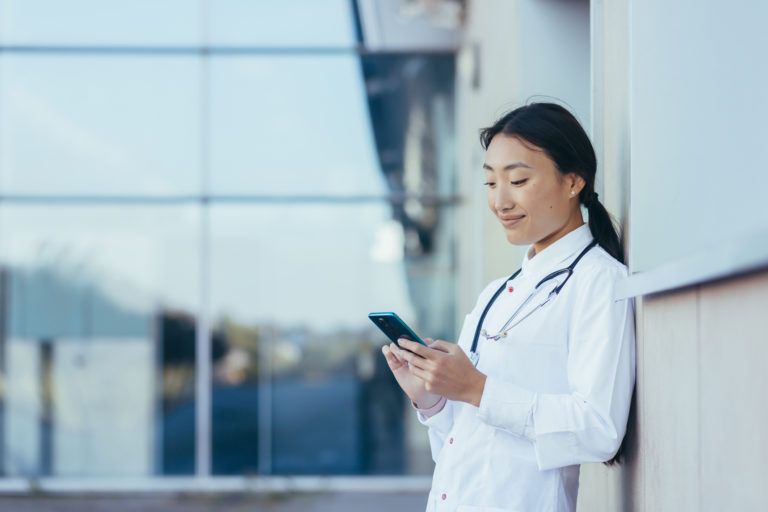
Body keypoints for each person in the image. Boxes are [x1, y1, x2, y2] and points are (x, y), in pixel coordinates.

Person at [381, 102, 636, 512]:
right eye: (489, 183)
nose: (500, 201)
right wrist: (432, 399)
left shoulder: (599, 281)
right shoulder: (496, 293)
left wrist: (476, 388)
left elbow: (599, 430)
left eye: (517, 180)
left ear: (573, 182)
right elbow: (460, 443)